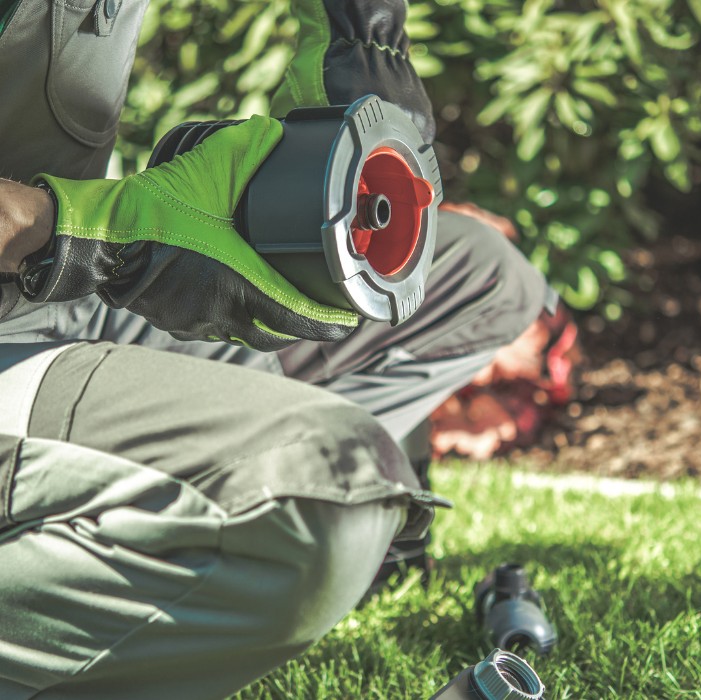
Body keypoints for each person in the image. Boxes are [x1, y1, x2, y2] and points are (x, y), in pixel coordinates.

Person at [0, 0, 554, 698]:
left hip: (54, 295)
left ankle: (252, 526)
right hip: (32, 294)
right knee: (325, 491)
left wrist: (361, 40)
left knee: (481, 276)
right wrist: (82, 232)